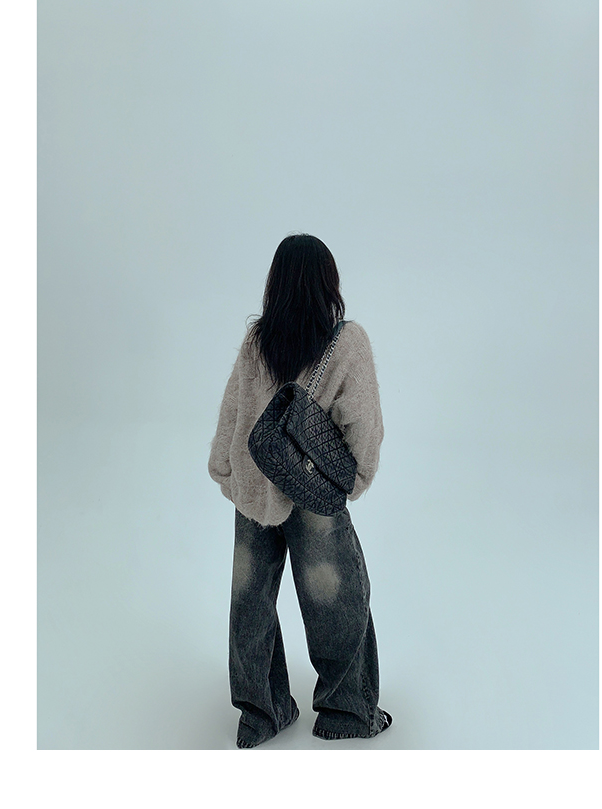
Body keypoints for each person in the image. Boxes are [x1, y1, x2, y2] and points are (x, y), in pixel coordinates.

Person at [208, 233, 391, 748]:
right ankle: (346, 712)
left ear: (277, 283)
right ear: (328, 282)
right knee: (336, 601)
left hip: (253, 485)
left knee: (250, 604)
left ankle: (261, 715)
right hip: (311, 491)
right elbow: (363, 424)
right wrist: (353, 479)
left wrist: (225, 469)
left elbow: (233, 409)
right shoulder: (346, 342)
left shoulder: (257, 340)